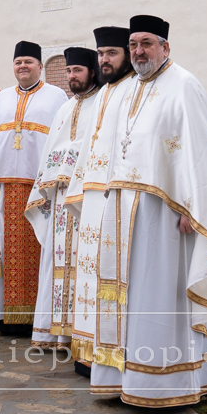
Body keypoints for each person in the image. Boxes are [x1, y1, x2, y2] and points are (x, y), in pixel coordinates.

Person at [80, 15, 207, 408]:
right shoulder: (129, 88)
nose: (138, 52)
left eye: (146, 43)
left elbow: (201, 153)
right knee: (124, 295)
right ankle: (121, 375)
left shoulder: (184, 85)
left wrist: (192, 209)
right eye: (133, 45)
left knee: (158, 293)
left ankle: (167, 379)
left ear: (165, 46)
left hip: (165, 212)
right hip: (122, 209)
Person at [0, 41, 68, 336]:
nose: (23, 67)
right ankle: (7, 315)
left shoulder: (56, 97)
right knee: (7, 250)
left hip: (41, 188)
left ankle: (39, 317)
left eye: (29, 62)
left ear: (40, 66)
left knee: (41, 247)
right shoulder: (2, 98)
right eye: (18, 63)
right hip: (9, 188)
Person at [68, 25, 146, 375]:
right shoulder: (104, 92)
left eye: (111, 53)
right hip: (93, 196)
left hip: (117, 196)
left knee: (112, 276)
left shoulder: (135, 89)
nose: (104, 60)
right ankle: (89, 352)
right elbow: (89, 145)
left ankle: (113, 357)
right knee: (89, 275)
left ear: (127, 56)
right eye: (101, 54)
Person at [27, 45, 100, 356]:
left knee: (83, 263)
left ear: (92, 72)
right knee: (57, 262)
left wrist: (68, 161)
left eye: (77, 71)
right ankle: (54, 333)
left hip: (84, 199)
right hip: (58, 200)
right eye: (69, 71)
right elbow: (49, 151)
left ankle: (80, 334)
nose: (72, 76)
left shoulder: (103, 103)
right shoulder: (65, 108)